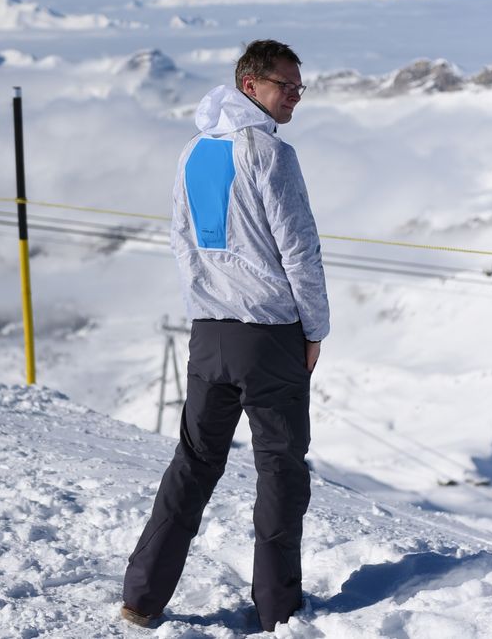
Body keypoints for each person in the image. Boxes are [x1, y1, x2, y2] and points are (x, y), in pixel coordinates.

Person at [120, 39, 330, 632]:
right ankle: (277, 609)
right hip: (269, 335)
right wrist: (314, 330)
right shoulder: (269, 153)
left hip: (209, 334)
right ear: (249, 86)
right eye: (284, 85)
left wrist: (204, 309)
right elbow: (300, 251)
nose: (294, 96)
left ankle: (142, 596)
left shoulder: (194, 151)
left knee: (192, 464)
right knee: (281, 471)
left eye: (298, 86)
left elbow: (182, 242)